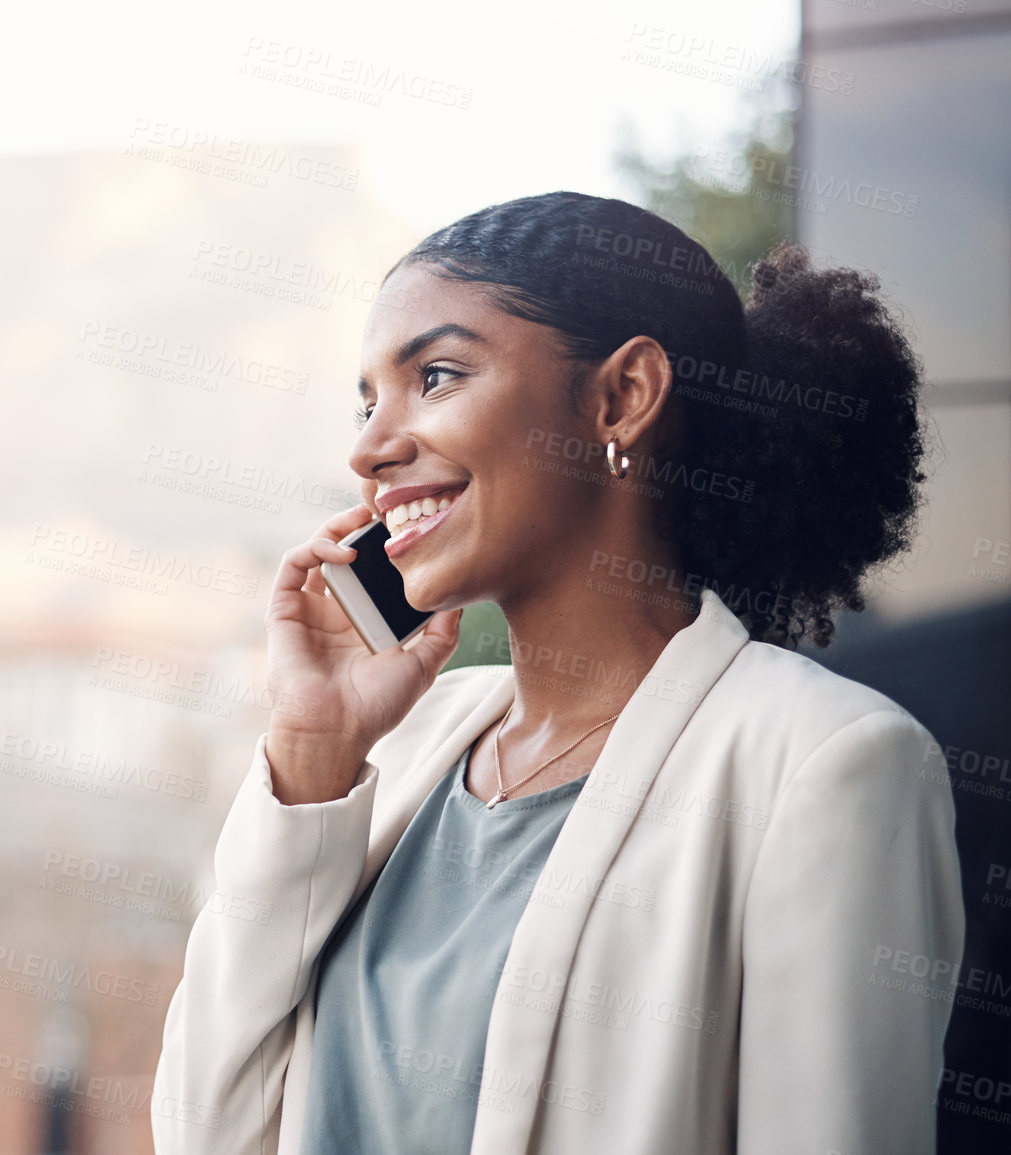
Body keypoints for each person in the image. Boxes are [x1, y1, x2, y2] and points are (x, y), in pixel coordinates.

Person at [151, 192, 964, 1155]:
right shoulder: (395, 752)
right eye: (368, 401)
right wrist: (309, 752)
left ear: (621, 396)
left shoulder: (821, 764)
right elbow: (204, 1130)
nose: (369, 447)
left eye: (437, 376)